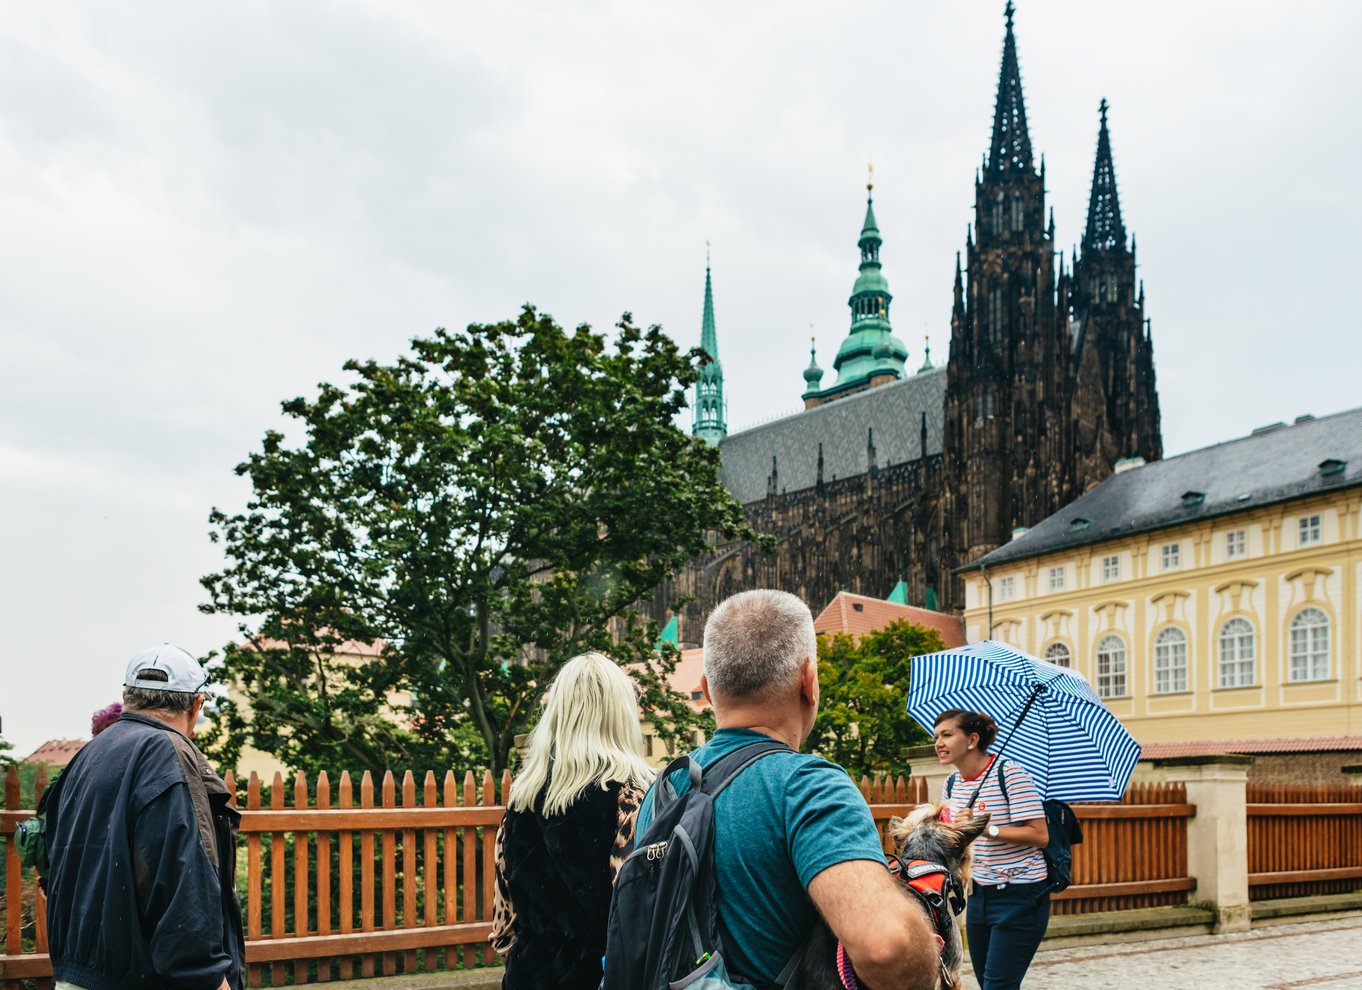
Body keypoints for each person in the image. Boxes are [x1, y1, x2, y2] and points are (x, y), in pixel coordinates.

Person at [632, 589, 940, 990]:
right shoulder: (809, 786)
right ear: (809, 682)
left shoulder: (663, 789)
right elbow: (887, 951)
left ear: (707, 691)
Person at [45, 645, 244, 990]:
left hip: (77, 973)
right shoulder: (168, 753)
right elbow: (181, 879)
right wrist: (210, 977)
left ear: (128, 697)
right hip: (144, 978)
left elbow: (49, 863)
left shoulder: (88, 755)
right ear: (197, 705)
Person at [491, 652, 655, 990]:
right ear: (621, 713)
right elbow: (646, 912)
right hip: (612, 978)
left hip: (531, 977)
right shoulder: (639, 797)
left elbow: (504, 924)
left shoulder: (520, 801)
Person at [934, 708, 1050, 990]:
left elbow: (1040, 835)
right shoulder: (952, 783)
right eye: (936, 735)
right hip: (979, 894)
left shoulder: (1008, 774)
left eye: (947, 735)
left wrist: (986, 828)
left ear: (972, 739)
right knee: (988, 983)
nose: (938, 742)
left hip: (1020, 894)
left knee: (998, 986)